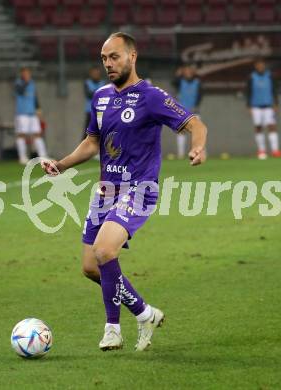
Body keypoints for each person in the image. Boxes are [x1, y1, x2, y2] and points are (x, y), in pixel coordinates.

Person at [42, 32, 207, 352]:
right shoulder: (100, 96)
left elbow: (195, 124)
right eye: (104, 58)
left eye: (114, 57)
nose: (107, 64)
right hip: (106, 191)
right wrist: (61, 166)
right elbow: (92, 141)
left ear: (133, 56)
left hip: (138, 190)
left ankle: (112, 329)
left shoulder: (151, 96)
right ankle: (144, 313)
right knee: (91, 267)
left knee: (105, 252)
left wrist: (198, 147)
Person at [247, 59, 281, 160]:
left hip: (268, 106)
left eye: (262, 65)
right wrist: (248, 106)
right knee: (258, 127)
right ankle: (261, 150)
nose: (260, 67)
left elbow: (274, 90)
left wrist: (276, 103)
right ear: (255, 66)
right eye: (258, 65)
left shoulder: (270, 76)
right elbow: (248, 92)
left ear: (264, 66)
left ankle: (275, 150)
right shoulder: (251, 77)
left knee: (272, 126)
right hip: (256, 106)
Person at [15, 67, 48, 164]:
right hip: (22, 113)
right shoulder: (18, 83)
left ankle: (43, 155)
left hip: (32, 113)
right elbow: (20, 91)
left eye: (28, 73)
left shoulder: (32, 83)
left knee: (37, 133)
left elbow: (35, 97)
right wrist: (26, 82)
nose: (27, 75)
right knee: (22, 134)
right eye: (25, 73)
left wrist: (38, 110)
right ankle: (22, 157)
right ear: (22, 74)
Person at [172, 65, 203, 159]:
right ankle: (180, 154)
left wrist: (196, 106)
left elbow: (200, 96)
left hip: (194, 111)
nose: (188, 73)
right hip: (181, 111)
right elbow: (173, 82)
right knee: (181, 132)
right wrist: (177, 75)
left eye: (190, 71)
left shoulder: (197, 82)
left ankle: (199, 152)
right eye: (186, 71)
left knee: (198, 132)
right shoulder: (180, 81)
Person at [83, 66, 105, 139]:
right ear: (91, 74)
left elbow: (104, 95)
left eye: (97, 73)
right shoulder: (87, 83)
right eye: (94, 73)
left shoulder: (103, 83)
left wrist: (95, 92)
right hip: (90, 112)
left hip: (101, 112)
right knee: (87, 132)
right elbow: (89, 94)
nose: (95, 75)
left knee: (102, 131)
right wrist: (99, 92)